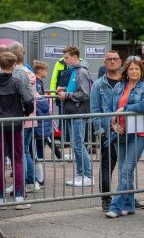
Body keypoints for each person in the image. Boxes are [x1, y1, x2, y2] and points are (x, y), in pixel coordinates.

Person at [105, 59, 144, 218]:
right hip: (120, 132)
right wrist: (113, 120)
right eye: (131, 69)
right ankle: (129, 205)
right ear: (126, 71)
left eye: (137, 69)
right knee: (124, 171)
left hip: (138, 133)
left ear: (141, 71)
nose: (134, 71)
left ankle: (115, 207)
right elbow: (113, 107)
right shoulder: (119, 86)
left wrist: (124, 109)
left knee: (126, 169)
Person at [0, 51, 34, 209]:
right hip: (15, 123)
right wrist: (26, 112)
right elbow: (28, 100)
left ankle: (1, 197)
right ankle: (19, 195)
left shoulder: (15, 82)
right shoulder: (17, 82)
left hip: (1, 123)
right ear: (13, 65)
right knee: (18, 159)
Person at [57, 46, 94, 187]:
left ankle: (87, 175)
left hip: (78, 113)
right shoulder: (75, 71)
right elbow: (77, 90)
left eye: (66, 57)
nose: (64, 60)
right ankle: (81, 175)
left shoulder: (81, 72)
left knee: (78, 145)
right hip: (74, 112)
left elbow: (84, 94)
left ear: (74, 57)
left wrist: (66, 95)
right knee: (76, 144)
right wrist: (65, 90)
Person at [8, 42, 41, 193]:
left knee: (21, 152)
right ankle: (30, 181)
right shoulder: (27, 71)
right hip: (29, 117)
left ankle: (26, 182)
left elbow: (24, 97)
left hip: (22, 117)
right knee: (25, 151)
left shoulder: (17, 73)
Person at [91, 50, 121, 211]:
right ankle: (106, 198)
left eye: (114, 59)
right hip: (108, 130)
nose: (112, 62)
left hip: (126, 129)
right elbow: (95, 111)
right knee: (107, 166)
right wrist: (101, 132)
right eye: (108, 59)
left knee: (127, 165)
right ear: (105, 62)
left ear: (120, 61)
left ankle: (128, 195)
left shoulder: (127, 82)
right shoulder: (98, 84)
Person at [32, 60, 52, 186]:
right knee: (37, 150)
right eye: (45, 70)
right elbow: (40, 101)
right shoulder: (37, 83)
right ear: (39, 70)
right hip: (40, 121)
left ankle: (39, 177)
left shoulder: (39, 82)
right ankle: (39, 178)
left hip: (41, 122)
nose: (46, 72)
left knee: (38, 150)